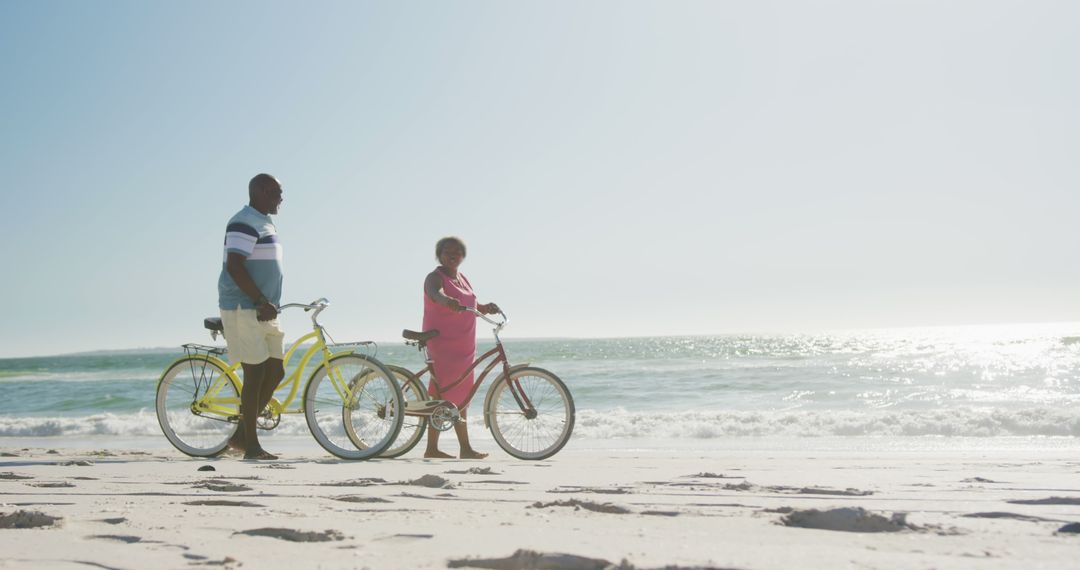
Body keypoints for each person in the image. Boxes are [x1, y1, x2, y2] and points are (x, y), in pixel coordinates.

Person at [217, 173, 285, 460]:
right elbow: (234, 265)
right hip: (244, 308)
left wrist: (266, 302)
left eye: (280, 193)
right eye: (274, 192)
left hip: (264, 310)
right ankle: (251, 447)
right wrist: (258, 299)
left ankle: (241, 436)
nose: (280, 198)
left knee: (276, 371)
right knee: (255, 375)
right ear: (257, 191)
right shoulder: (243, 221)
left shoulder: (264, 221)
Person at [422, 236, 500, 459]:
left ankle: (465, 448)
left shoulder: (462, 278)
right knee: (440, 393)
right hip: (442, 343)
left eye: (457, 252)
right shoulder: (434, 277)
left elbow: (470, 304)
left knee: (462, 394)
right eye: (447, 251)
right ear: (440, 255)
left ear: (463, 256)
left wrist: (486, 307)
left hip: (464, 345)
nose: (452, 255)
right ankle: (432, 448)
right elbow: (436, 294)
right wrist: (447, 301)